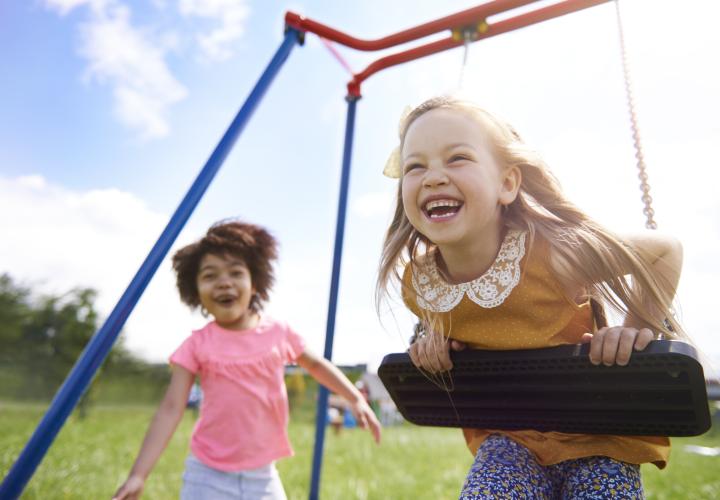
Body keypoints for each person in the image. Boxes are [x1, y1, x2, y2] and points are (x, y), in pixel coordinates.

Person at [376, 96, 684, 499]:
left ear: (507, 183)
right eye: (416, 166)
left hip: (599, 436)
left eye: (457, 158)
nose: (433, 177)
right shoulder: (420, 283)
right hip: (509, 436)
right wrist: (433, 345)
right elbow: (455, 327)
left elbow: (665, 250)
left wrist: (634, 331)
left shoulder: (552, 256)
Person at [113, 220, 381, 500]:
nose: (224, 282)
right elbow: (170, 408)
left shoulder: (278, 333)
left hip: (262, 476)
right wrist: (138, 475)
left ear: (254, 284)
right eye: (210, 275)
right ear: (196, 292)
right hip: (206, 475)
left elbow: (316, 365)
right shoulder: (196, 345)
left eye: (235, 273)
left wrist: (355, 398)